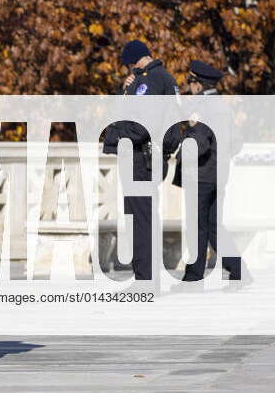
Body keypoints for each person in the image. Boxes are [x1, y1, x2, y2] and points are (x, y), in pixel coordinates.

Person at [164, 60, 248, 287]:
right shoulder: (222, 106)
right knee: (212, 226)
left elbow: (198, 146)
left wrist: (187, 133)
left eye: (190, 81)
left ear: (199, 85)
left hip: (200, 176)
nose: (188, 85)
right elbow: (237, 142)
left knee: (197, 227)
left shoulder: (203, 109)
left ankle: (194, 277)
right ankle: (239, 271)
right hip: (217, 174)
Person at [102, 40, 178, 282]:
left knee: (141, 221)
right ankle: (146, 278)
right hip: (148, 157)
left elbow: (141, 122)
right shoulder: (160, 78)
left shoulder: (150, 80)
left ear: (134, 61)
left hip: (140, 158)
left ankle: (146, 280)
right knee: (142, 219)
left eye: (129, 65)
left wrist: (118, 137)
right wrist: (125, 91)